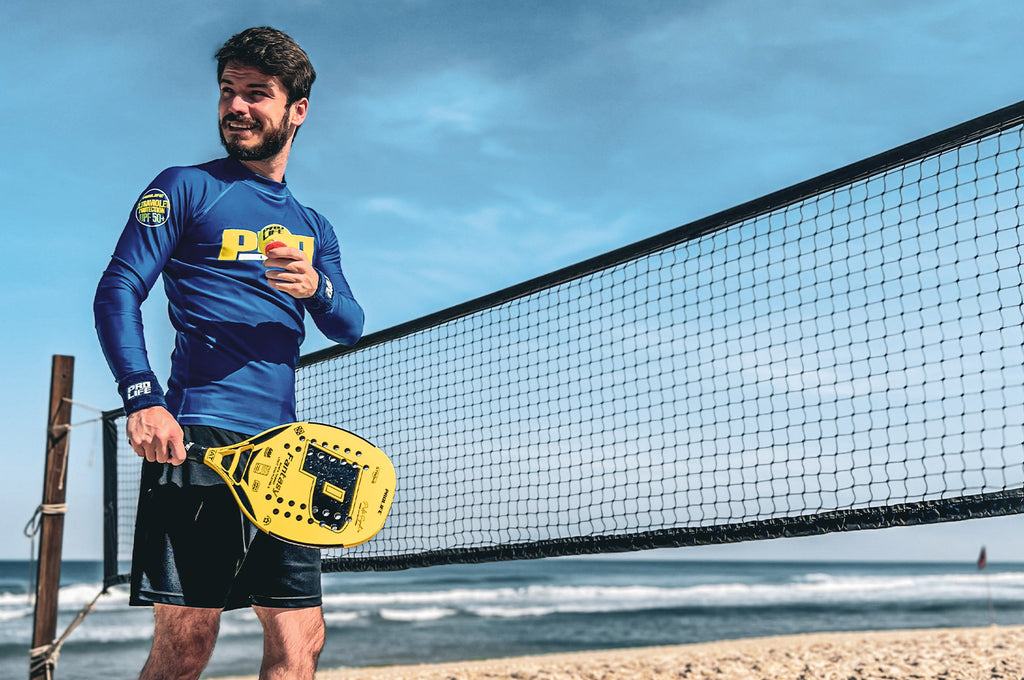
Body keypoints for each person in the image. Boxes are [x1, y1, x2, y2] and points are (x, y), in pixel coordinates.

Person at [93, 26, 364, 680]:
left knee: (301, 641)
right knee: (188, 643)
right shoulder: (185, 187)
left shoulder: (314, 226)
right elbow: (119, 288)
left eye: (255, 94)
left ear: (296, 110)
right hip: (200, 440)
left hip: (289, 451)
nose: (236, 107)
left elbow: (349, 323)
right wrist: (143, 397)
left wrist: (316, 286)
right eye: (227, 92)